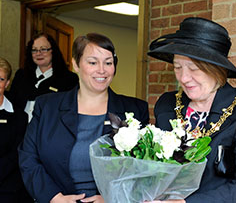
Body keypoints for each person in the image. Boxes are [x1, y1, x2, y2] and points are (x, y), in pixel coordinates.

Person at [18, 33, 150, 203]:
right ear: (76, 64)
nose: (101, 70)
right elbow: (28, 157)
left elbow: (144, 168)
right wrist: (53, 197)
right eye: (93, 62)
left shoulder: (135, 110)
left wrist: (114, 197)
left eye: (108, 63)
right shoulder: (47, 106)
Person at [148, 17, 236, 203]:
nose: (184, 78)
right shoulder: (166, 104)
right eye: (178, 67)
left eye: (194, 69)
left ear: (217, 69)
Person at [9, 33, 78, 121]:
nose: (38, 53)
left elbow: (70, 111)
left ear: (53, 51)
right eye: (34, 50)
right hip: (21, 131)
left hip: (50, 131)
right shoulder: (21, 75)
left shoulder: (69, 79)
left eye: (43, 49)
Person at [0, 58, 33, 202]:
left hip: (7, 189)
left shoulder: (20, 117)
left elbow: (15, 154)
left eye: (0, 79)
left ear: (7, 83)